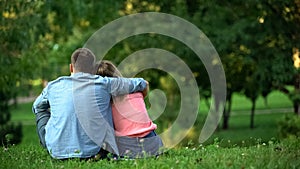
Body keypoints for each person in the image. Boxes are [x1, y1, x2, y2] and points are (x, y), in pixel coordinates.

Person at [32, 48, 148, 160]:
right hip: (96, 152)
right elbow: (141, 83)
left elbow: (36, 107)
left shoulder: (53, 86)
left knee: (40, 110)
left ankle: (56, 143)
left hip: (57, 152)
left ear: (71, 67)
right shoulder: (104, 83)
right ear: (93, 68)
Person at [96, 60, 164, 158]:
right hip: (154, 143)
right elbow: (145, 84)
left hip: (128, 147)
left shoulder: (108, 104)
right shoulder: (137, 93)